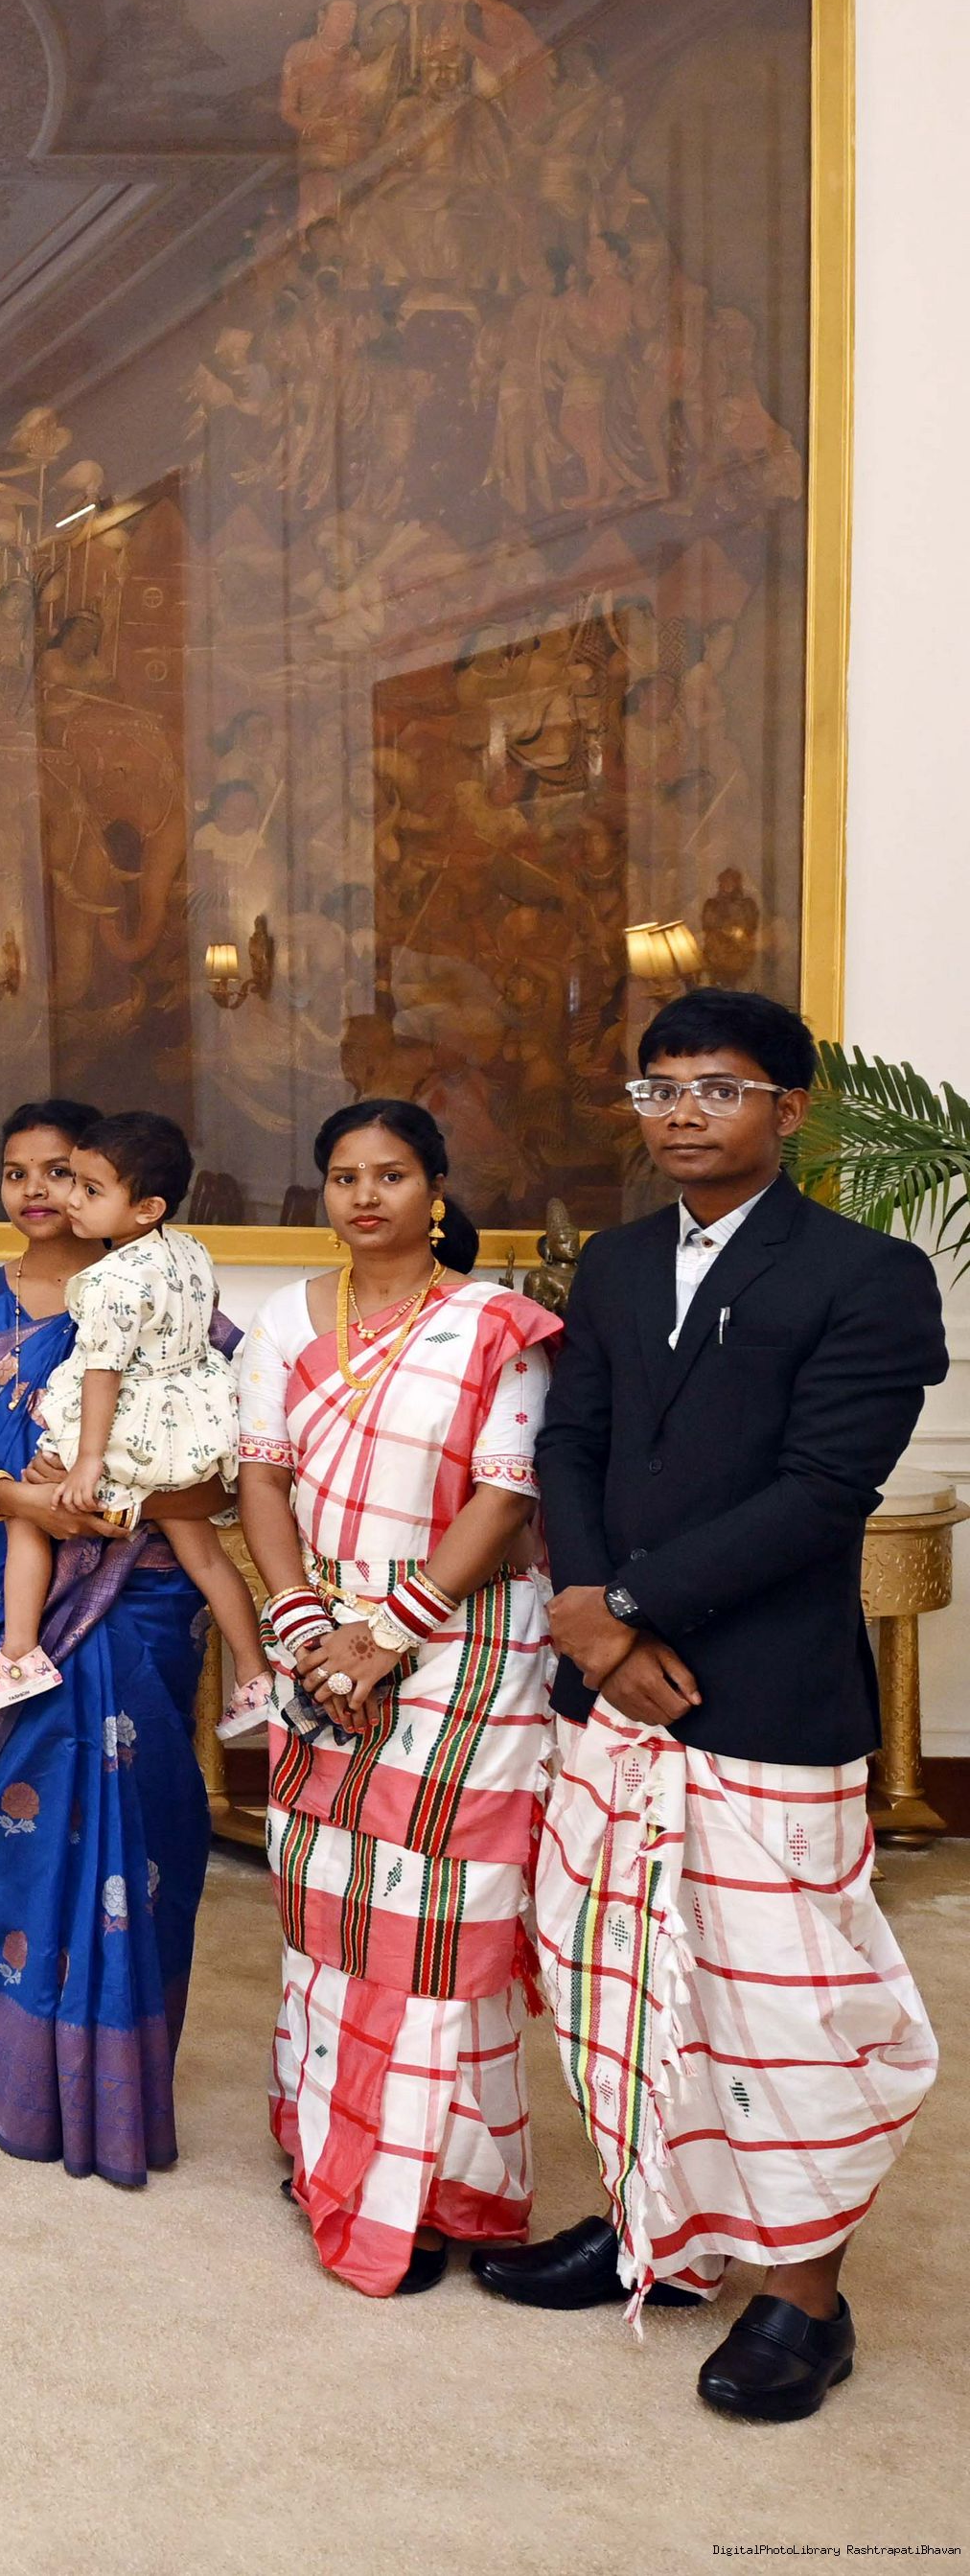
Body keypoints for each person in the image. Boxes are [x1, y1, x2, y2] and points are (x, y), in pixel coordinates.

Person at [484, 988, 946, 2420]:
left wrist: (624, 1607)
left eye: (719, 1087)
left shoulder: (868, 1274)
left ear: (788, 1109)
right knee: (616, 1968)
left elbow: (823, 1492)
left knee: (782, 2004)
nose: (683, 1111)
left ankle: (805, 2299)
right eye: (660, 1087)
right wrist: (593, 1615)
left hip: (764, 1691)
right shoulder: (618, 1261)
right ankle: (661, 2236)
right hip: (611, 1689)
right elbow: (572, 1444)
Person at [232, 1097, 559, 2297]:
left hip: (464, 1647)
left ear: (434, 1189)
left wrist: (390, 1630)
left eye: (390, 1174)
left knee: (441, 1918)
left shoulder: (496, 1325)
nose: (364, 1195)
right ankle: (338, 2155)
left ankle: (438, 2183)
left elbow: (505, 1495)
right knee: (326, 1905)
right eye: (342, 1175)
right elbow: (261, 1480)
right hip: (317, 1639)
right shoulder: (283, 1320)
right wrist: (300, 1621)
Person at [0, 1100, 226, 2185]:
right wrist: (16, 1500)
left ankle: (116, 2092)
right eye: (17, 1172)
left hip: (136, 1593)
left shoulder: (174, 1299)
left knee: (141, 1839)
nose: (39, 1191)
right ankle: (2, 2081)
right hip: (8, 1587)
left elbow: (216, 1462)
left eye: (64, 1173)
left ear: (119, 1192)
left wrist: (109, 1502)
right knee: (18, 1834)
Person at [0, 1111, 264, 1726]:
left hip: (124, 1431)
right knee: (206, 1557)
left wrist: (87, 1461)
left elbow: (103, 1371)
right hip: (188, 1429)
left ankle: (18, 1656)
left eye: (86, 1187)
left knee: (28, 1511)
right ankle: (256, 1677)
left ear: (147, 1208)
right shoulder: (190, 1251)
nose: (68, 1198)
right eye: (71, 1181)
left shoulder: (109, 1280)